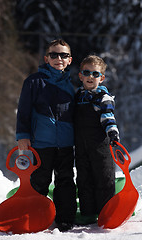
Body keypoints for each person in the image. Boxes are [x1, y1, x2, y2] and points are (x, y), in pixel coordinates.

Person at [16, 39, 77, 232]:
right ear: (46, 58)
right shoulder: (34, 81)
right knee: (40, 181)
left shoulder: (71, 86)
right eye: (54, 55)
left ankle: (65, 219)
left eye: (63, 55)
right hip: (42, 142)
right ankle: (35, 216)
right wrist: (23, 135)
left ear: (69, 60)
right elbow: (23, 110)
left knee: (65, 180)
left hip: (66, 143)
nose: (59, 58)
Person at [74, 55, 120, 224]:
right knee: (84, 178)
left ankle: (106, 212)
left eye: (95, 73)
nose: (90, 77)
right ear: (80, 76)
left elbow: (108, 117)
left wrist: (113, 133)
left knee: (103, 177)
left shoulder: (103, 97)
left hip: (100, 145)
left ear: (102, 77)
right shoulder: (78, 96)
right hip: (81, 146)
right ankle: (88, 212)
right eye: (87, 73)